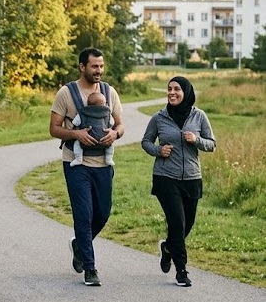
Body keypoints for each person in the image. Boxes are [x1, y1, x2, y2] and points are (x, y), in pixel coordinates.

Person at [49, 47, 125, 287]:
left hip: (103, 163)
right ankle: (90, 269)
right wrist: (76, 134)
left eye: (101, 66)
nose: (99, 71)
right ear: (82, 67)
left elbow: (121, 125)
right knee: (84, 214)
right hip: (76, 163)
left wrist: (115, 134)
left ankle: (80, 245)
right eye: (94, 66)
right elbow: (53, 128)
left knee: (103, 213)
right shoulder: (66, 93)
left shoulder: (109, 92)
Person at [141, 76, 215, 287]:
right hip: (166, 177)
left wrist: (196, 140)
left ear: (186, 92)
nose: (172, 93)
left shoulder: (199, 116)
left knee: (186, 225)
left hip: (192, 177)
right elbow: (146, 141)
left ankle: (168, 248)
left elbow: (212, 144)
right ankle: (181, 271)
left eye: (177, 89)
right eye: (169, 89)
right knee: (177, 223)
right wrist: (158, 150)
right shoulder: (159, 118)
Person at [70, 91, 115, 167]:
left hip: (86, 139)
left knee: (77, 144)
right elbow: (112, 123)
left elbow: (75, 122)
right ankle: (109, 159)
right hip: (104, 139)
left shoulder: (83, 112)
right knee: (110, 146)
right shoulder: (107, 114)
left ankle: (78, 159)